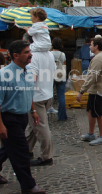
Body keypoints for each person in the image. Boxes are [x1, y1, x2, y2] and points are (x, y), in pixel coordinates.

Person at [0, 40, 46, 194]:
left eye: (29, 51)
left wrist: (33, 111)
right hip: (9, 118)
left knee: (8, 149)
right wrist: (1, 125)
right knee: (21, 152)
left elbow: (28, 93)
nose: (30, 55)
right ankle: (28, 186)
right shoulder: (4, 75)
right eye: (26, 52)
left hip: (22, 117)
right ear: (15, 55)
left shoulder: (26, 71)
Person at [26, 33, 56, 167]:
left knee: (40, 127)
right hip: (47, 93)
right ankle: (26, 150)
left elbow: (32, 78)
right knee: (34, 125)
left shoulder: (33, 56)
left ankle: (46, 157)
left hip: (37, 96)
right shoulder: (49, 54)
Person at [77, 37, 102, 146]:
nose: (89, 47)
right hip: (95, 90)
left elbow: (92, 76)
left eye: (91, 45)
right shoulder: (99, 57)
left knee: (98, 112)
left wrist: (81, 91)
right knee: (91, 110)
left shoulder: (98, 58)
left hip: (98, 90)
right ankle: (91, 133)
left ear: (96, 46)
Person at [51, 37, 68, 121]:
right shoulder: (62, 54)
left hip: (50, 75)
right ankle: (62, 116)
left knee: (49, 95)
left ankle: (46, 112)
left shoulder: (49, 54)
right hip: (61, 75)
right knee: (61, 96)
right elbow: (63, 63)